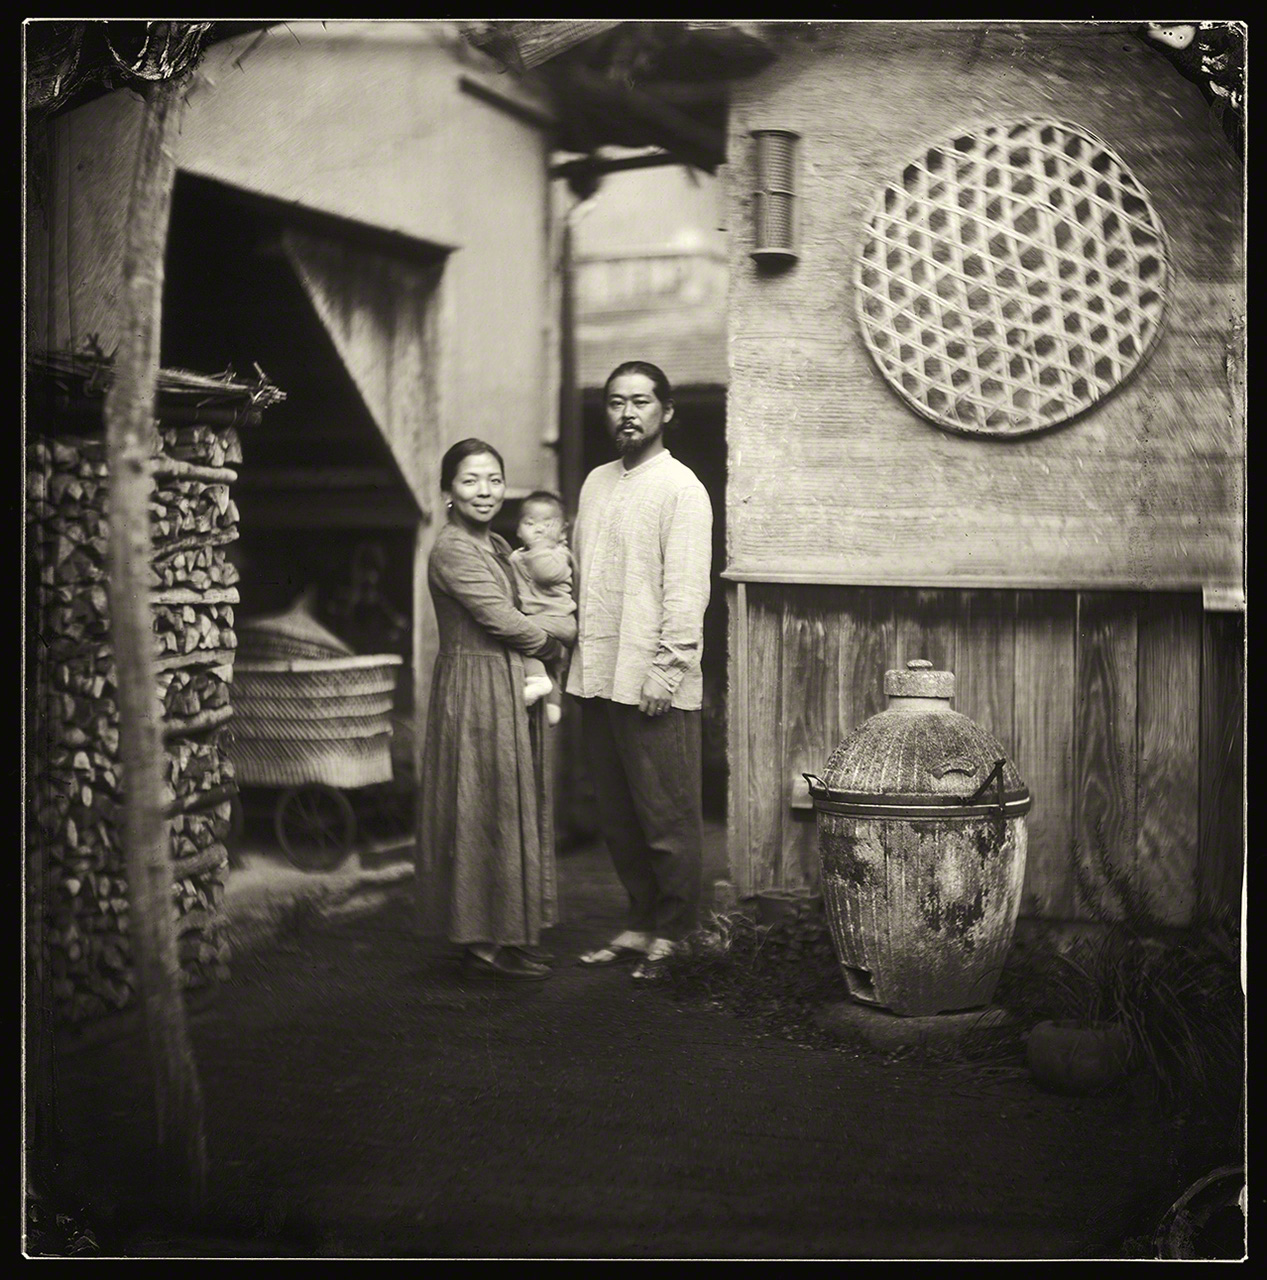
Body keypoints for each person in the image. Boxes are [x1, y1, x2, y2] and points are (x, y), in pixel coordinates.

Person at [567, 361, 713, 980]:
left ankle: (676, 934)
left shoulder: (681, 487)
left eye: (641, 402)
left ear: (666, 411)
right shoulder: (596, 483)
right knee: (620, 815)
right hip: (598, 672)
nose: (627, 414)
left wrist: (666, 670)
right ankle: (640, 921)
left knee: (667, 819)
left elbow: (686, 589)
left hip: (654, 682)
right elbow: (584, 575)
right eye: (616, 402)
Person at [416, 439, 575, 981]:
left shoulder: (500, 544)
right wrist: (553, 646)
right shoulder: (453, 549)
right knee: (478, 806)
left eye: (493, 480)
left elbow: (527, 604)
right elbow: (500, 618)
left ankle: (506, 933)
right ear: (448, 492)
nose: (484, 491)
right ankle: (480, 945)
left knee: (508, 806)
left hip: (507, 682)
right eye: (470, 481)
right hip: (475, 687)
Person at [507, 490, 575, 728]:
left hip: (558, 619)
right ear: (518, 530)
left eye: (548, 525)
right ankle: (554, 706)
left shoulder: (558, 554)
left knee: (517, 633)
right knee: (550, 666)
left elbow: (545, 574)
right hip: (544, 619)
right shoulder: (517, 556)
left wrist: (540, 547)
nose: (538, 530)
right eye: (530, 524)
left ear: (563, 532)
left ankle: (536, 680)